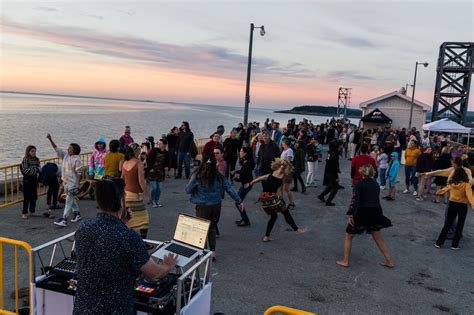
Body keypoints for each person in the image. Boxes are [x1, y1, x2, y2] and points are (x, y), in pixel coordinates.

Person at [73, 177, 178, 314]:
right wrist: (168, 265)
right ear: (121, 202)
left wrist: (122, 222)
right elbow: (155, 273)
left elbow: (102, 246)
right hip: (115, 309)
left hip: (83, 308)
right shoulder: (128, 237)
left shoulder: (83, 227)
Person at [185, 155, 244, 260]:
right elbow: (229, 189)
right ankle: (212, 252)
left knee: (201, 229)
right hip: (216, 205)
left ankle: (202, 251)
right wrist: (239, 201)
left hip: (202, 206)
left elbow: (188, 189)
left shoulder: (198, 175)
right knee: (211, 229)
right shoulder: (219, 175)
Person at [336, 164, 393, 268]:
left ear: (362, 172)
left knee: (348, 236)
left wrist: (350, 214)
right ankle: (389, 261)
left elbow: (355, 200)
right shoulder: (376, 184)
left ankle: (345, 260)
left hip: (362, 212)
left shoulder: (359, 184)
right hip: (375, 212)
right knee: (378, 237)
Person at [245, 158, 306, 242]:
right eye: (281, 163)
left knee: (274, 216)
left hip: (265, 199)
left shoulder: (277, 175)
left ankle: (266, 236)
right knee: (285, 212)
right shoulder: (275, 174)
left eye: (283, 164)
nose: (282, 165)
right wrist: (250, 183)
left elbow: (278, 189)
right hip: (270, 198)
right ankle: (296, 230)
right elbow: (260, 179)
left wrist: (250, 183)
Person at [47, 134, 83, 227]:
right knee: (70, 199)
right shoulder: (66, 156)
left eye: (70, 148)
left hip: (72, 184)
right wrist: (51, 139)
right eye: (68, 148)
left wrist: (78, 185)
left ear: (74, 150)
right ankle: (77, 214)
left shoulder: (77, 160)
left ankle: (64, 219)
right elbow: (57, 149)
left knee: (68, 200)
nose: (68, 149)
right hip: (65, 182)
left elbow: (79, 173)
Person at [434, 167, 474, 250]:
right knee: (460, 225)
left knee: (448, 224)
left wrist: (438, 192)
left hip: (452, 204)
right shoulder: (466, 185)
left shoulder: (452, 184)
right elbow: (470, 196)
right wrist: (473, 205)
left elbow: (444, 189)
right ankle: (455, 245)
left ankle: (439, 242)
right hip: (462, 205)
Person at [121, 143, 151, 242]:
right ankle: (143, 242)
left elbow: (122, 179)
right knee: (144, 218)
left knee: (128, 219)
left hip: (127, 194)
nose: (140, 152)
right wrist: (148, 196)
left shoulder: (125, 163)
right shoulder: (139, 163)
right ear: (136, 152)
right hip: (136, 196)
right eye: (139, 150)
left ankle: (127, 240)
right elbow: (141, 181)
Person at [232, 147, 254, 227]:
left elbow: (244, 177)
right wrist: (236, 171)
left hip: (246, 185)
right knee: (238, 202)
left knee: (238, 202)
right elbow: (243, 172)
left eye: (241, 151)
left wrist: (235, 179)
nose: (240, 152)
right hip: (246, 184)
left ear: (245, 153)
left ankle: (246, 220)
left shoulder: (247, 163)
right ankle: (244, 218)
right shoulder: (246, 162)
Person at [318, 140, 343, 206]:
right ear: (338, 145)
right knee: (335, 187)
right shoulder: (335, 153)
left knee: (331, 185)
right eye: (341, 145)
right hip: (331, 172)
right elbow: (334, 165)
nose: (342, 146)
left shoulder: (332, 151)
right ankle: (328, 201)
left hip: (328, 170)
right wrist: (336, 176)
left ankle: (321, 195)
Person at [146, 139, 169, 208]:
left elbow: (167, 161)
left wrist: (167, 167)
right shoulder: (154, 150)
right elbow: (148, 159)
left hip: (160, 172)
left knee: (159, 188)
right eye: (161, 143)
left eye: (163, 144)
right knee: (154, 188)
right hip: (152, 172)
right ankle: (153, 201)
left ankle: (157, 201)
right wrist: (150, 168)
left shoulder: (166, 152)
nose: (161, 145)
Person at [20, 145, 41, 219]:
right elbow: (26, 171)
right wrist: (35, 170)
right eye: (32, 151)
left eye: (35, 151)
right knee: (26, 197)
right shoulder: (25, 159)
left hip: (34, 180)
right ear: (28, 151)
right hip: (27, 180)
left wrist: (33, 170)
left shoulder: (37, 159)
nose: (34, 152)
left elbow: (40, 169)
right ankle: (24, 212)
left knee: (34, 197)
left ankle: (32, 211)